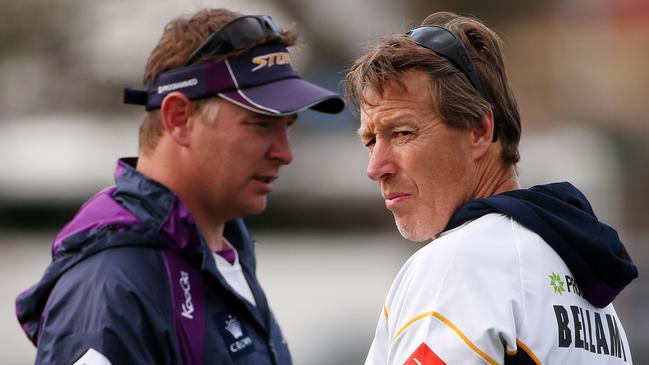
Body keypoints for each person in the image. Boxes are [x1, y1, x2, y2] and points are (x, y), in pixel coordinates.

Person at [16, 8, 343, 365]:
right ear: (179, 119)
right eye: (261, 125)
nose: (285, 153)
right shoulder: (112, 286)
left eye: (288, 126)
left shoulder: (219, 253)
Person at [345, 11, 637, 365]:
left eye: (402, 133)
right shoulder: (588, 289)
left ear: (480, 131)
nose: (376, 167)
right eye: (370, 141)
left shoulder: (459, 264)